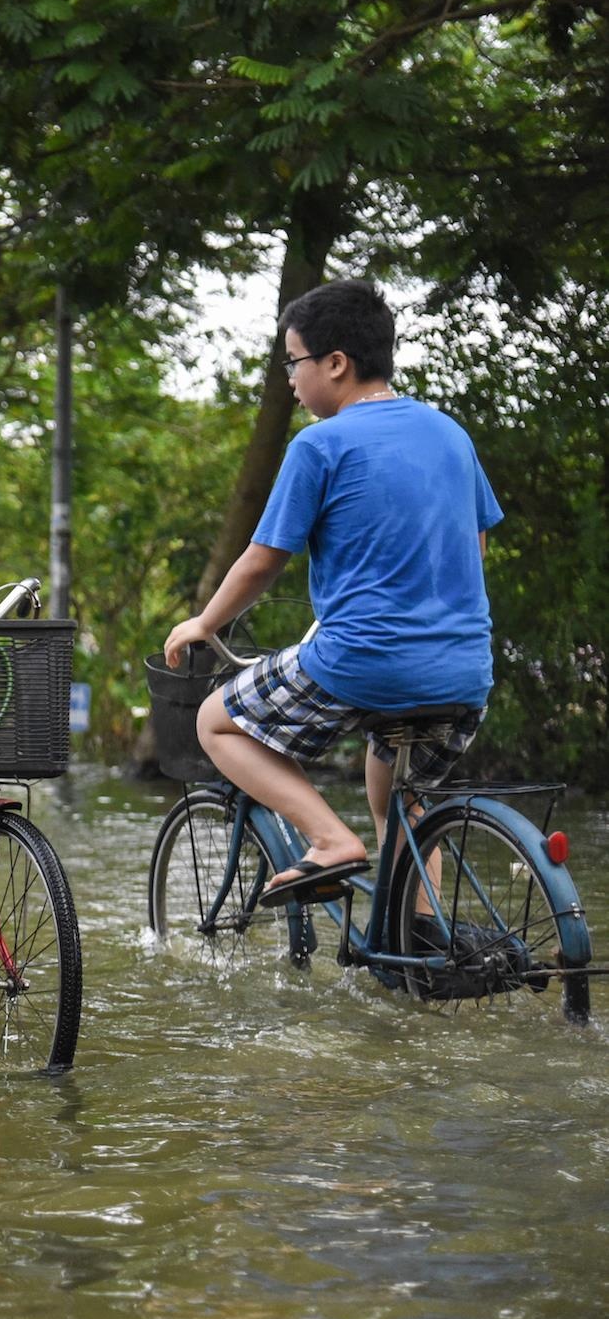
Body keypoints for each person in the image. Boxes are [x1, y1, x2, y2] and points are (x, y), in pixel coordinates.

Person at [164, 278, 502, 903]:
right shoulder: (449, 434)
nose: (290, 380)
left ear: (336, 364)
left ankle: (328, 840)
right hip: (465, 671)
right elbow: (474, 549)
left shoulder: (319, 444)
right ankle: (421, 937)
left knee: (216, 723)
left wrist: (202, 623)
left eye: (294, 362)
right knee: (392, 793)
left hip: (364, 661)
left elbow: (263, 562)